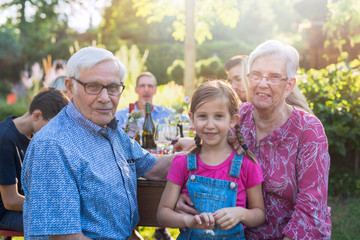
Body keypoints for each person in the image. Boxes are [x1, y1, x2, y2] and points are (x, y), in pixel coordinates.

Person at [175, 40, 331, 240]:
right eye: (256, 75)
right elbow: (207, 157)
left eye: (274, 77)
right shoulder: (240, 117)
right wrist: (185, 193)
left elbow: (310, 208)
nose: (262, 83)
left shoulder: (308, 130)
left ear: (289, 85)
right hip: (235, 234)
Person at [21, 47, 174, 240]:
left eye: (113, 88)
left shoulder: (111, 131)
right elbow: (66, 238)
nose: (105, 98)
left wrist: (207, 148)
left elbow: (155, 168)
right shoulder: (53, 145)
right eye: (93, 87)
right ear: (70, 88)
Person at [157, 80, 265, 239]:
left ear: (233, 120)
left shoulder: (247, 164)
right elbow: (163, 214)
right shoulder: (182, 163)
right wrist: (189, 220)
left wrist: (240, 213)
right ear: (192, 119)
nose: (210, 124)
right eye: (202, 116)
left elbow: (259, 214)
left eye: (218, 116)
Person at [0, 88, 69, 232]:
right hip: (6, 214)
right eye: (52, 126)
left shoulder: (33, 135)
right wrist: (52, 205)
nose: (54, 134)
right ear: (36, 115)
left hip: (26, 206)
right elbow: (10, 201)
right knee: (62, 225)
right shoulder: (5, 140)